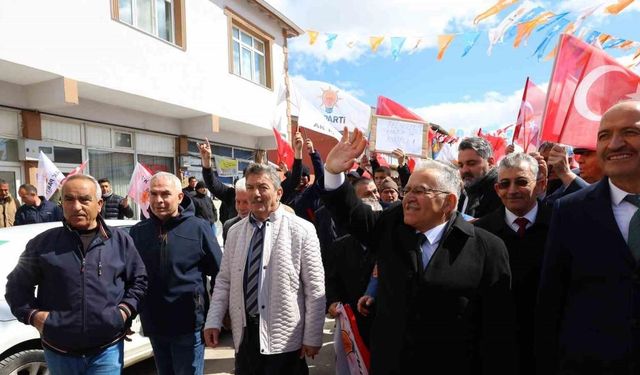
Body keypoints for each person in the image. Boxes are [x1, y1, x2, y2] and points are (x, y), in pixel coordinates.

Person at [320, 128, 515, 374]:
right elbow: (352, 215)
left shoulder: (488, 248)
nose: (408, 198)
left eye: (420, 191)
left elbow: (497, 328)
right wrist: (333, 172)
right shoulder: (392, 225)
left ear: (449, 202)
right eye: (408, 190)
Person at [5, 174, 147, 375]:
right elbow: (16, 287)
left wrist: (123, 312)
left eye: (84, 199)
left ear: (99, 204)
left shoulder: (120, 241)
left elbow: (139, 281)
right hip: (59, 350)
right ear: (62, 204)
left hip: (107, 349)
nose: (76, 206)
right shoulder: (42, 244)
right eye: (69, 199)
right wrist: (33, 316)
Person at [536, 100, 640, 374]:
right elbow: (551, 302)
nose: (615, 144)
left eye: (631, 132)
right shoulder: (570, 210)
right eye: (604, 135)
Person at [203, 163, 325, 375]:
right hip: (245, 335)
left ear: (278, 193)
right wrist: (213, 320)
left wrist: (312, 336)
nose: (255, 194)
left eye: (262, 187)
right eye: (250, 188)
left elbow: (315, 288)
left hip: (285, 339)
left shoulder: (302, 230)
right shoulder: (234, 232)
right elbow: (224, 281)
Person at [129, 172, 222, 375]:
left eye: (165, 194)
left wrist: (218, 315)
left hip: (188, 323)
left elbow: (220, 274)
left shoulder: (199, 228)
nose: (159, 200)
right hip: (154, 323)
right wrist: (128, 315)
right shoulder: (138, 232)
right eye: (153, 194)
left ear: (180, 197)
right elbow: (131, 278)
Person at [474, 153, 550, 375]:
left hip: (550, 343)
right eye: (505, 184)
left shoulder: (561, 223)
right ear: (497, 189)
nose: (512, 190)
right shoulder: (480, 232)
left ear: (541, 184)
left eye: (522, 182)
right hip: (500, 345)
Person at [457, 136, 502, 219]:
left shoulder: (502, 192)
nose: (464, 170)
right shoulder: (462, 191)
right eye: (461, 165)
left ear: (490, 162)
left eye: (471, 163)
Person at [222, 177, 250, 244]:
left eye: (246, 202)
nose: (241, 207)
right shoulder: (229, 226)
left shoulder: (268, 227)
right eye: (238, 201)